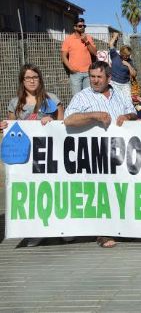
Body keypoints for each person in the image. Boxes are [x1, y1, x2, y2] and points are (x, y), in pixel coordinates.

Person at [64, 61, 137, 248]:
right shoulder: (82, 97)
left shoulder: (119, 94)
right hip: (95, 155)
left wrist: (127, 117)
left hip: (120, 153)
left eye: (99, 77)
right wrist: (94, 115)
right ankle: (103, 233)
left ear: (109, 78)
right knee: (101, 193)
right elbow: (69, 119)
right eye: (92, 77)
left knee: (121, 191)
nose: (95, 81)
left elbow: (134, 114)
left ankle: (126, 228)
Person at [0, 64, 64, 247]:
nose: (31, 81)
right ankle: (35, 232)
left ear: (40, 78)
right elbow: (13, 128)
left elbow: (63, 124)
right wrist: (4, 127)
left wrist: (52, 121)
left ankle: (61, 228)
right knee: (33, 192)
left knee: (54, 189)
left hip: (50, 154)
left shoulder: (52, 99)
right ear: (22, 81)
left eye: (35, 77)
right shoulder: (15, 103)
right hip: (27, 158)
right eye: (27, 78)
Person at [61, 17, 97, 95]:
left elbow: (94, 53)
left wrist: (86, 41)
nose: (82, 27)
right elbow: (63, 56)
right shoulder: (68, 40)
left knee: (88, 97)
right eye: (80, 26)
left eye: (84, 26)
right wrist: (71, 69)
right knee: (77, 97)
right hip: (75, 74)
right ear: (75, 27)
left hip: (88, 73)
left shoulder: (89, 38)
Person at [108, 32, 137, 100]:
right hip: (114, 83)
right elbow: (111, 44)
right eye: (125, 55)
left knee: (127, 100)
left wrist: (128, 65)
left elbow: (134, 75)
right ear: (121, 53)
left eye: (128, 55)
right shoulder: (115, 56)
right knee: (114, 100)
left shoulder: (130, 61)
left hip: (125, 84)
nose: (126, 57)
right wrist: (115, 36)